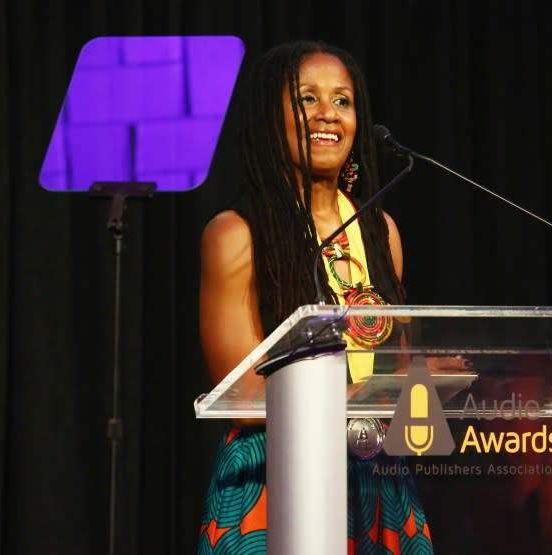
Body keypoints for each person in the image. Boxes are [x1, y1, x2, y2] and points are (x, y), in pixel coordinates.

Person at [196, 40, 433, 554]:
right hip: (276, 474)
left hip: (375, 477)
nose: (328, 114)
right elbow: (240, 398)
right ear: (270, 116)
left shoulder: (381, 232)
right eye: (307, 98)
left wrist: (429, 381)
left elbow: (397, 369)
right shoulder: (237, 233)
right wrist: (363, 398)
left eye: (343, 100)